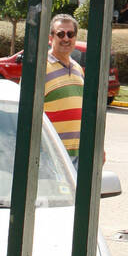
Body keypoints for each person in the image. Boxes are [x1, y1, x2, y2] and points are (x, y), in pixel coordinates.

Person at [44, 14, 84, 164]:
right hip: (51, 157)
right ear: (50, 38)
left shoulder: (78, 69)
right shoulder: (41, 68)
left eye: (70, 34)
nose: (66, 38)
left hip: (79, 155)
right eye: (60, 34)